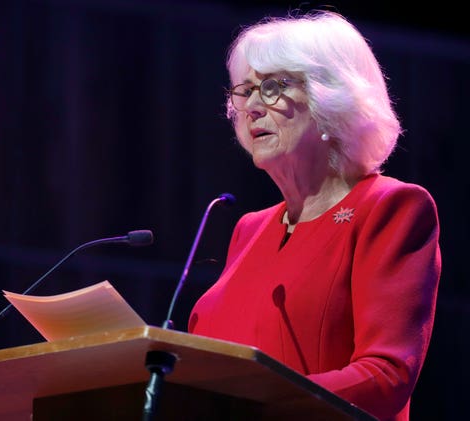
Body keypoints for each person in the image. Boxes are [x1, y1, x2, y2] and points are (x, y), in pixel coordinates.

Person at [187, 10, 441, 421]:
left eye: (271, 87)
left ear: (331, 97)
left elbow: (385, 375)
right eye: (245, 90)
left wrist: (255, 402)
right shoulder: (248, 229)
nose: (251, 106)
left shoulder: (389, 208)